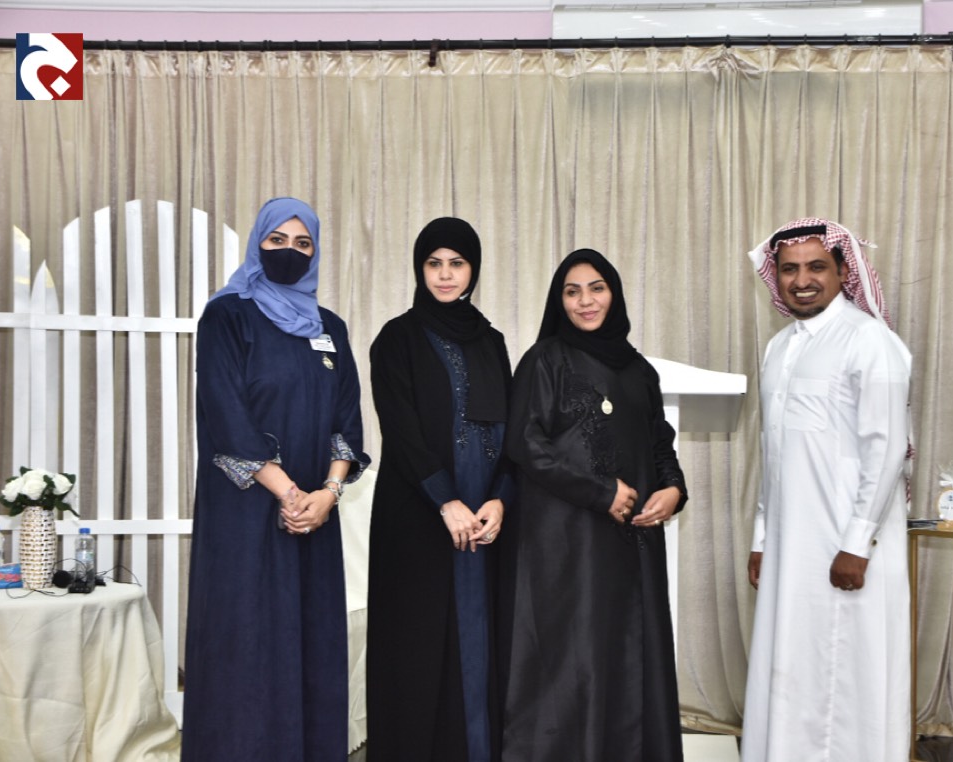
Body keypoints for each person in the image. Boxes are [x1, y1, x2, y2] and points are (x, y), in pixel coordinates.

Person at [182, 197, 369, 761]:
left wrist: (327, 495)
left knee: (310, 641)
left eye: (303, 243)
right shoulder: (227, 316)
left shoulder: (329, 328)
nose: (290, 251)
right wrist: (289, 493)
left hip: (314, 518)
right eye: (277, 240)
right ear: (257, 243)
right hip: (246, 515)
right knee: (247, 641)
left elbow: (347, 422)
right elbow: (226, 415)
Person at [500, 248, 687, 762]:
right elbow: (524, 443)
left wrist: (673, 488)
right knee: (573, 655)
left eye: (597, 288)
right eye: (572, 291)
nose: (586, 301)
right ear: (559, 301)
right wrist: (601, 492)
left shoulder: (639, 369)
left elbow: (659, 443)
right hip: (566, 542)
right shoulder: (545, 360)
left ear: (614, 294)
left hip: (631, 543)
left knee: (627, 651)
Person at [741, 218, 912, 762]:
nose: (801, 280)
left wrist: (856, 544)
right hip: (790, 545)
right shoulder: (779, 347)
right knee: (793, 664)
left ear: (843, 270)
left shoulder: (870, 341)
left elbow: (887, 448)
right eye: (789, 269)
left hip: (848, 544)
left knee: (847, 672)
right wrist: (763, 538)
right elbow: (774, 455)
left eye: (816, 267)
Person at [366, 217, 512, 762]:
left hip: (484, 519)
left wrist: (501, 498)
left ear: (474, 270)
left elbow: (512, 431)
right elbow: (401, 431)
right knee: (418, 648)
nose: (445, 275)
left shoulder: (492, 342)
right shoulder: (396, 339)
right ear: (419, 268)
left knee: (478, 642)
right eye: (434, 263)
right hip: (419, 515)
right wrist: (446, 501)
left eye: (457, 263)